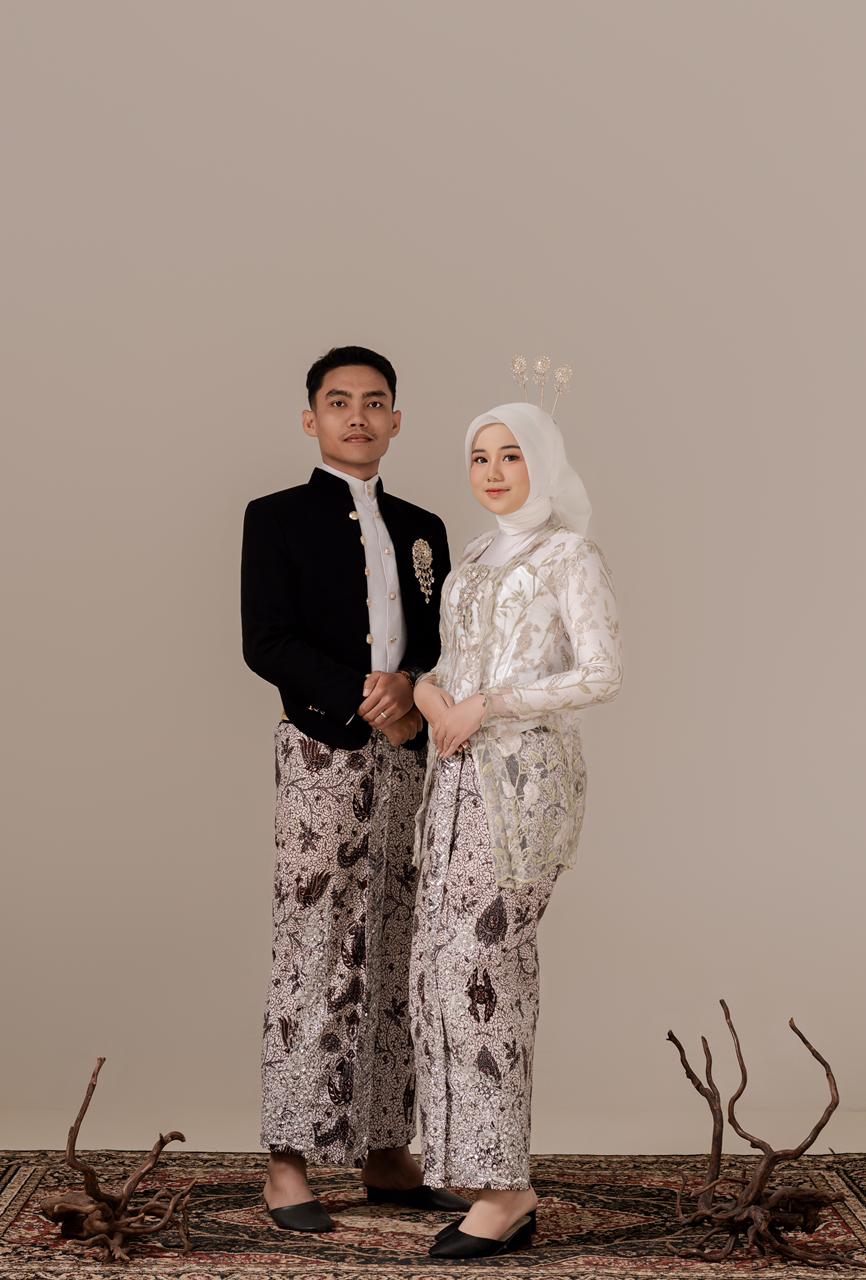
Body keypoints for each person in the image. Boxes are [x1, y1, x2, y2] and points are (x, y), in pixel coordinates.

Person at [241, 345, 467, 1232]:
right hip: (321, 749)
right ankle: (286, 1163)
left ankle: (386, 1150)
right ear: (312, 418)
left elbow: (444, 637)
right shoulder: (276, 518)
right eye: (339, 402)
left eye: (375, 403)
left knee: (400, 941)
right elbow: (266, 640)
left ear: (396, 420)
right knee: (314, 944)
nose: (358, 417)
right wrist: (363, 695)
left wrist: (412, 687)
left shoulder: (422, 526)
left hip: (409, 755)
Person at [410, 395, 623, 1259]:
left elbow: (601, 673)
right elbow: (451, 667)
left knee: (484, 968)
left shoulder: (570, 553)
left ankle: (505, 1191)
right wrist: (429, 693)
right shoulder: (471, 556)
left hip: (524, 788)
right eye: (480, 457)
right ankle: (476, 1173)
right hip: (453, 782)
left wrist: (489, 705)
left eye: (512, 456)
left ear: (543, 461)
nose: (494, 473)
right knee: (439, 969)